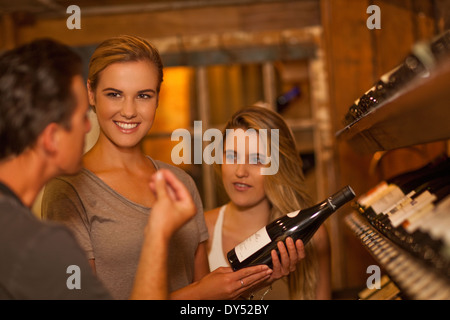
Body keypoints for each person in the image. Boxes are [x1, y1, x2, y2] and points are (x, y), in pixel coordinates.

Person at [41, 35, 280, 300]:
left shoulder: (181, 183)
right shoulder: (68, 190)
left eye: (143, 95)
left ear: (157, 98)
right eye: (114, 94)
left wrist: (262, 276)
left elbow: (206, 299)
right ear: (90, 93)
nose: (129, 111)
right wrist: (199, 292)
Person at [0, 38, 196, 300]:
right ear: (51, 137)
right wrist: (157, 235)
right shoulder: (36, 242)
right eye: (82, 116)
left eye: (144, 95)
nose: (88, 127)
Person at [205, 106, 332, 300]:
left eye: (257, 160)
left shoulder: (314, 237)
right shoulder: (203, 231)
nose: (240, 171)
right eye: (231, 156)